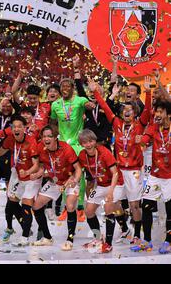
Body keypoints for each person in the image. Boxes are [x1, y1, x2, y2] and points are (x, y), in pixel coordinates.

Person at [90, 77, 151, 244]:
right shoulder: (116, 123)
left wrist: (147, 92)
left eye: (130, 109)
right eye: (124, 109)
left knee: (135, 206)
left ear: (135, 112)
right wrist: (95, 91)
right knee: (114, 202)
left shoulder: (139, 125)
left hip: (134, 172)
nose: (127, 111)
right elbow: (104, 106)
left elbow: (148, 111)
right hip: (119, 172)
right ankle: (124, 228)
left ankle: (137, 234)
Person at [50, 60, 94, 223]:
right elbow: (53, 123)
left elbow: (90, 105)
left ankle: (80, 208)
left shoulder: (79, 101)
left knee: (79, 177)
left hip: (77, 145)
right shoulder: (55, 105)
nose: (65, 89)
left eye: (68, 87)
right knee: (62, 176)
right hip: (62, 145)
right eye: (63, 87)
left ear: (72, 88)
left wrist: (90, 104)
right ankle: (66, 208)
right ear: (60, 90)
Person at [31, 125, 83, 251]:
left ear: (55, 138)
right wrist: (38, 173)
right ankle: (47, 238)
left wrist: (74, 180)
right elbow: (43, 165)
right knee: (36, 206)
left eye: (49, 136)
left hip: (70, 179)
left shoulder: (66, 148)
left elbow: (78, 169)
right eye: (44, 136)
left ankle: (70, 239)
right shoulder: (41, 148)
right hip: (55, 181)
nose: (46, 139)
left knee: (70, 206)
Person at [0, 115, 40, 245]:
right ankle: (10, 228)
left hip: (31, 177)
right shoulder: (10, 139)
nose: (16, 129)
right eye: (14, 127)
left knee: (26, 205)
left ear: (25, 128)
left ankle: (25, 237)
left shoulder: (31, 142)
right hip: (17, 174)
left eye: (19, 126)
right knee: (11, 204)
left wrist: (28, 172)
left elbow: (36, 164)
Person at [77, 129, 125, 253]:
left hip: (115, 183)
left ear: (95, 141)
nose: (88, 144)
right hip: (100, 184)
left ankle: (108, 244)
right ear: (81, 144)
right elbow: (77, 169)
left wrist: (110, 192)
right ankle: (98, 239)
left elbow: (115, 173)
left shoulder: (104, 152)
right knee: (88, 211)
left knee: (109, 208)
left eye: (91, 141)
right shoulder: (82, 155)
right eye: (85, 142)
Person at [133, 100, 171, 254]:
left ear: (168, 114)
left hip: (170, 177)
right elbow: (145, 139)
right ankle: (147, 241)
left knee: (170, 210)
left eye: (160, 112)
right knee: (146, 206)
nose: (157, 114)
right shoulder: (154, 127)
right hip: (155, 175)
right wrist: (140, 140)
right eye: (156, 111)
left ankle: (168, 241)